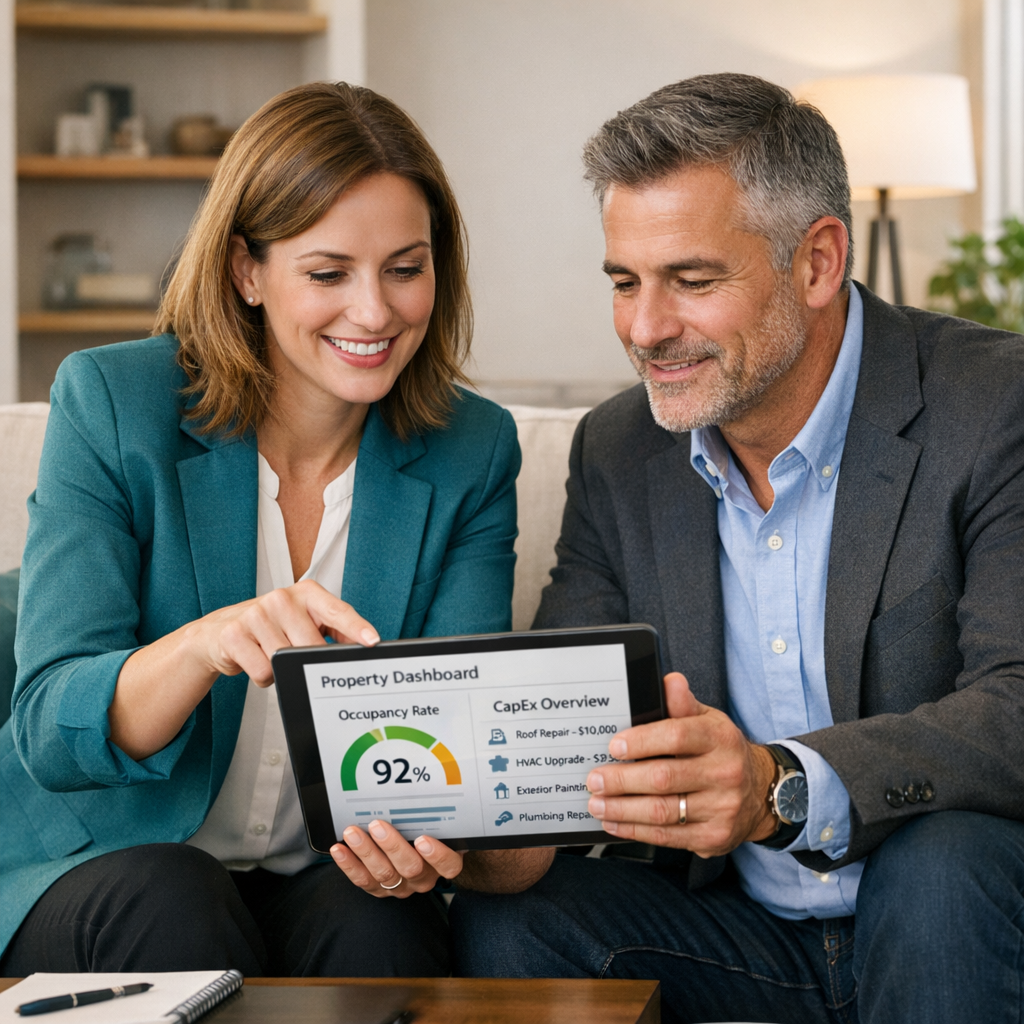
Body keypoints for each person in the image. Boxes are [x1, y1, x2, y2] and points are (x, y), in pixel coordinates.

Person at [450, 74, 1024, 1024]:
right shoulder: (620, 449)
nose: (645, 330)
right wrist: (462, 828)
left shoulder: (995, 406)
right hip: (739, 931)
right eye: (626, 283)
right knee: (514, 921)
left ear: (818, 261)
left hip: (956, 914)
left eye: (693, 280)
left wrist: (779, 786)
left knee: (941, 862)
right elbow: (561, 717)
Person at [0, 82, 523, 978]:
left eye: (406, 268)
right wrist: (204, 645)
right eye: (328, 273)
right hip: (98, 862)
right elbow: (51, 726)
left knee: (385, 925)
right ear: (248, 270)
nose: (375, 312)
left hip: (323, 866)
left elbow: (458, 738)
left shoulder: (470, 450)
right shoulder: (115, 402)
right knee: (176, 900)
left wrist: (436, 839)